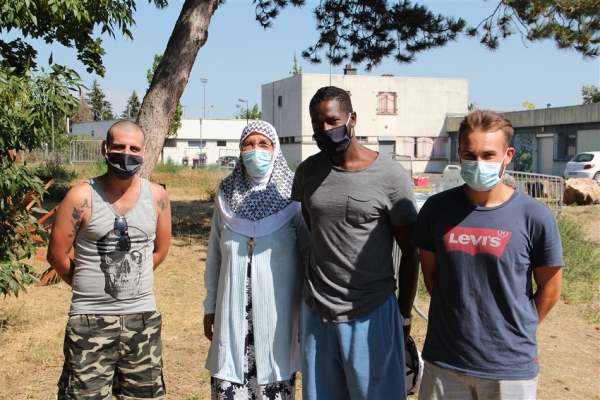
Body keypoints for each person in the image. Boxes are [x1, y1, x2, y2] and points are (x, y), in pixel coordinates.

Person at [412, 110, 563, 399]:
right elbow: (431, 275)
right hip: (445, 361)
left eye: (488, 155)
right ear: (459, 154)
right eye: (470, 154)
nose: (478, 163)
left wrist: (514, 328)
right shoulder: (436, 210)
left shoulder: (535, 216)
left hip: (509, 367)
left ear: (508, 155)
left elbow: (551, 290)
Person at [291, 86, 420, 400]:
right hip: (317, 314)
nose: (326, 130)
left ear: (352, 119)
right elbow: (313, 229)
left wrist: (403, 316)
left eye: (333, 121)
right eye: (317, 124)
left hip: (372, 313)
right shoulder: (307, 172)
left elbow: (410, 251)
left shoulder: (390, 176)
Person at [47, 120, 172, 399]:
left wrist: (136, 277)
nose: (126, 154)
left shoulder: (157, 196)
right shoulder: (81, 197)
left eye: (133, 148)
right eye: (119, 146)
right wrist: (85, 284)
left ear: (145, 152)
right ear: (105, 148)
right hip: (90, 321)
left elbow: (161, 250)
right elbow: (56, 255)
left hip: (142, 320)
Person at [203, 121, 310, 399]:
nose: (255, 151)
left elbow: (309, 254)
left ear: (275, 150)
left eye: (263, 144)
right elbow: (215, 255)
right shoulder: (226, 195)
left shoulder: (294, 196)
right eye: (248, 144)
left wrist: (309, 311)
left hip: (279, 318)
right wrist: (210, 306)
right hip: (231, 315)